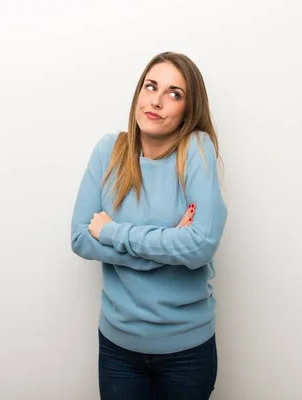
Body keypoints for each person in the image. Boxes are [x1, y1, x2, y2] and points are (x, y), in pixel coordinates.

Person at [71, 51, 227, 400]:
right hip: (117, 346)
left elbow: (201, 245)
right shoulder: (109, 150)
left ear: (189, 108)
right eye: (150, 86)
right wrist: (170, 244)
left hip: (187, 350)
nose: (156, 100)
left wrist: (113, 233)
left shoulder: (196, 150)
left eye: (175, 93)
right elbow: (81, 237)